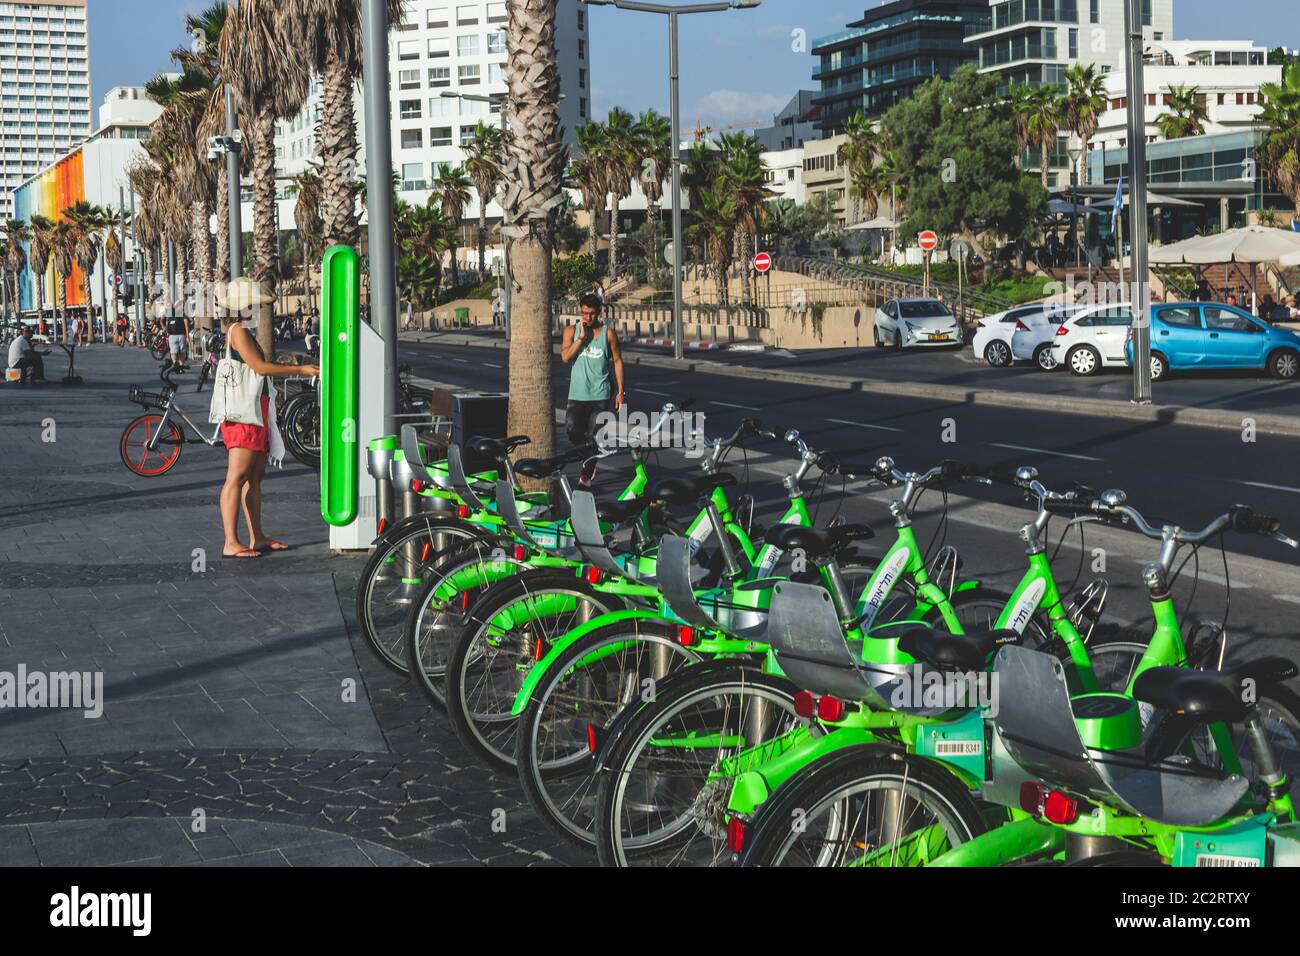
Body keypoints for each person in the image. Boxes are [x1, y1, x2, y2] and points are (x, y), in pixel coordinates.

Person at [213, 278, 319, 559]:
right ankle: (231, 541)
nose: (258, 308)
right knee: (236, 477)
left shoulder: (243, 331)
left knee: (254, 478)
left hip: (256, 410)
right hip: (243, 413)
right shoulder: (237, 331)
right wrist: (300, 370)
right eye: (254, 304)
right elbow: (259, 367)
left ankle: (257, 536)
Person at [561, 293, 624, 485]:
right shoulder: (571, 331)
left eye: (592, 314)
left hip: (600, 393)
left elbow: (618, 361)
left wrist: (621, 391)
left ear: (599, 313)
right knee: (573, 431)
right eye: (584, 313)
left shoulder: (608, 334)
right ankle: (590, 457)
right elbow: (565, 357)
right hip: (577, 393)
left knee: (595, 434)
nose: (587, 317)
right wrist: (580, 339)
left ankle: (586, 476)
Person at [166, 300, 189, 370]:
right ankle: (181, 367)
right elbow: (186, 325)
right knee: (182, 351)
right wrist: (187, 336)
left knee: (173, 351)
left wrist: (168, 334)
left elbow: (167, 324)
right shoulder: (182, 314)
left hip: (172, 335)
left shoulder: (171, 313)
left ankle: (175, 364)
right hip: (181, 335)